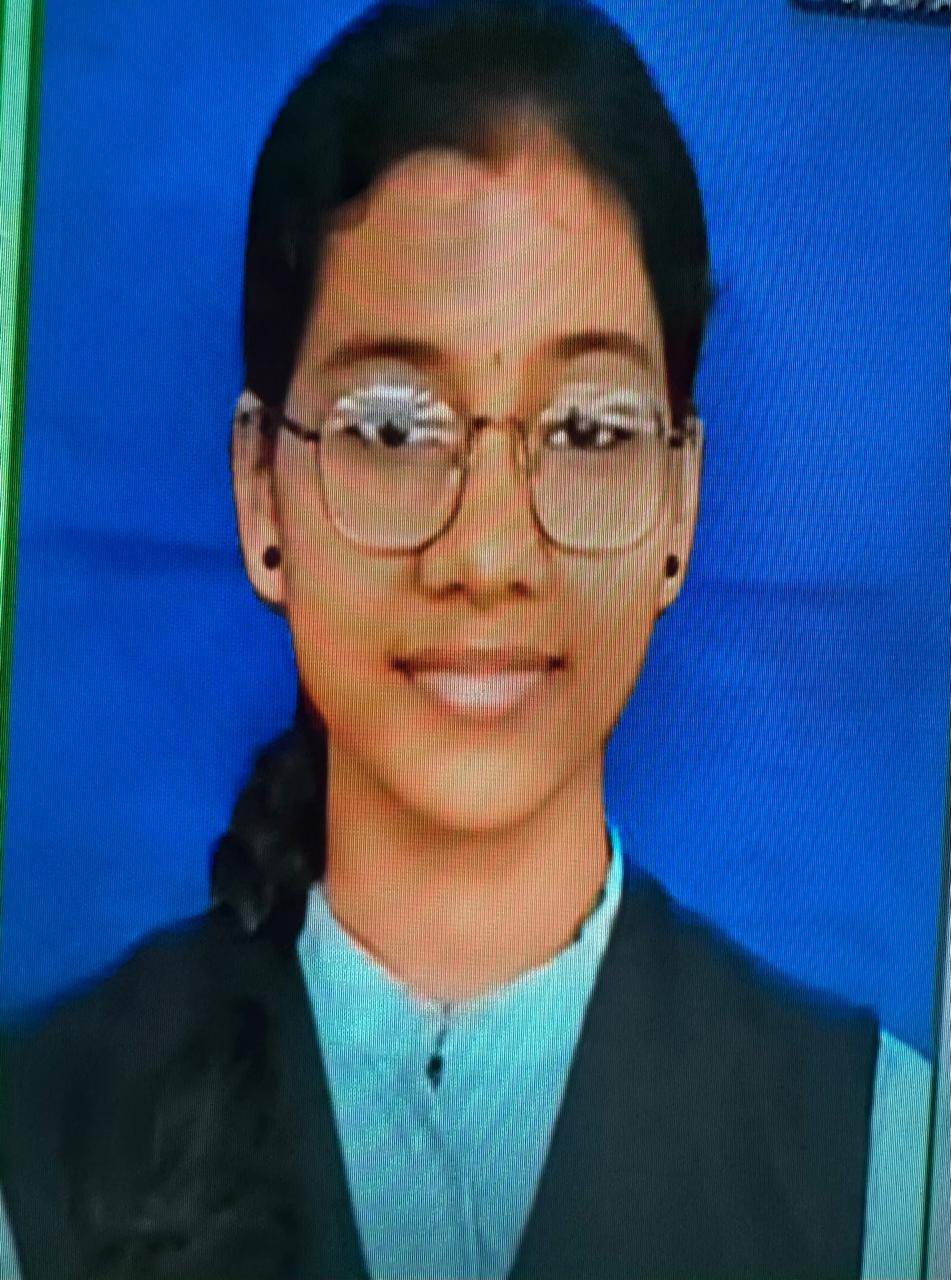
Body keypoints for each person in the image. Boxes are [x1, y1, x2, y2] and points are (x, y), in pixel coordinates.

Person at [0, 1, 933, 1277]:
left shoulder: (886, 1161)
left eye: (590, 431)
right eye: (392, 429)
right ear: (262, 495)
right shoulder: (37, 1152)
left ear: (679, 504)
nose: (488, 558)